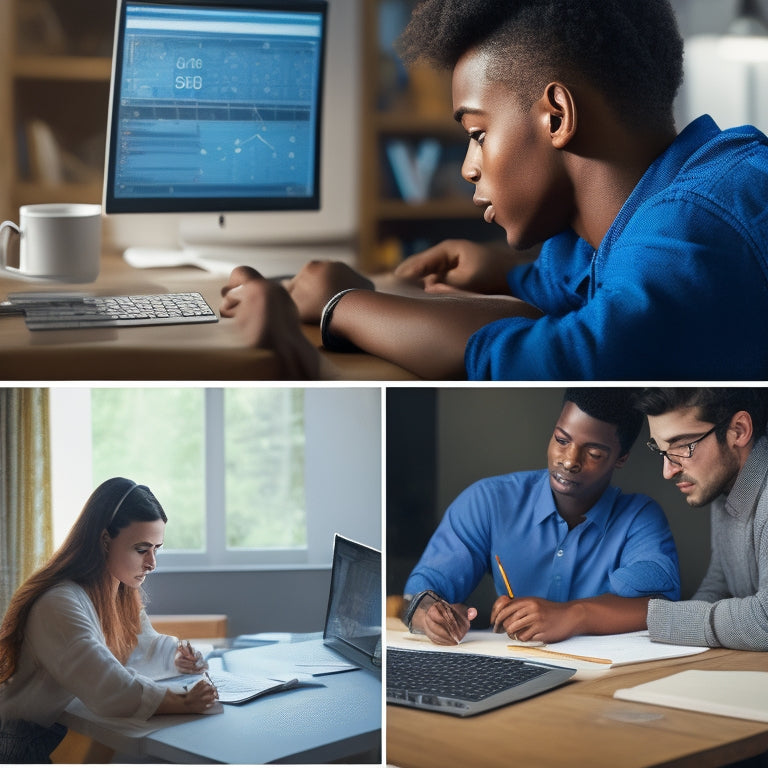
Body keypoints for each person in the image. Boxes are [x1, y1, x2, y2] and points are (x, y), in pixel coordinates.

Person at [219, 0, 768, 380]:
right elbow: (556, 295)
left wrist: (343, 307)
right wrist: (495, 274)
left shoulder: (699, 221)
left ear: (556, 116)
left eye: (478, 135)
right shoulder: (625, 225)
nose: (467, 168)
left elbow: (561, 357)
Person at [401, 388, 680, 646]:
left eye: (594, 453)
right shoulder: (489, 501)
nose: (569, 460)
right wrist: (430, 615)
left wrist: (572, 615)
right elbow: (420, 592)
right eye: (561, 440)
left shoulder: (640, 519)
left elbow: (660, 606)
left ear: (621, 458)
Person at [0, 477, 218, 763]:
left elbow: (138, 646)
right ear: (104, 540)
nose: (152, 563)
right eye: (142, 549)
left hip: (44, 736)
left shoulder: (116, 593)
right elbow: (106, 685)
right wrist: (182, 701)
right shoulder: (58, 603)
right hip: (13, 744)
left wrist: (176, 658)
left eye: (156, 549)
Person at [634, 388, 768, 651]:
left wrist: (652, 617)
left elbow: (765, 622)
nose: (668, 470)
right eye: (661, 450)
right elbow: (719, 586)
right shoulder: (724, 486)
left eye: (682, 446)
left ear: (739, 431)